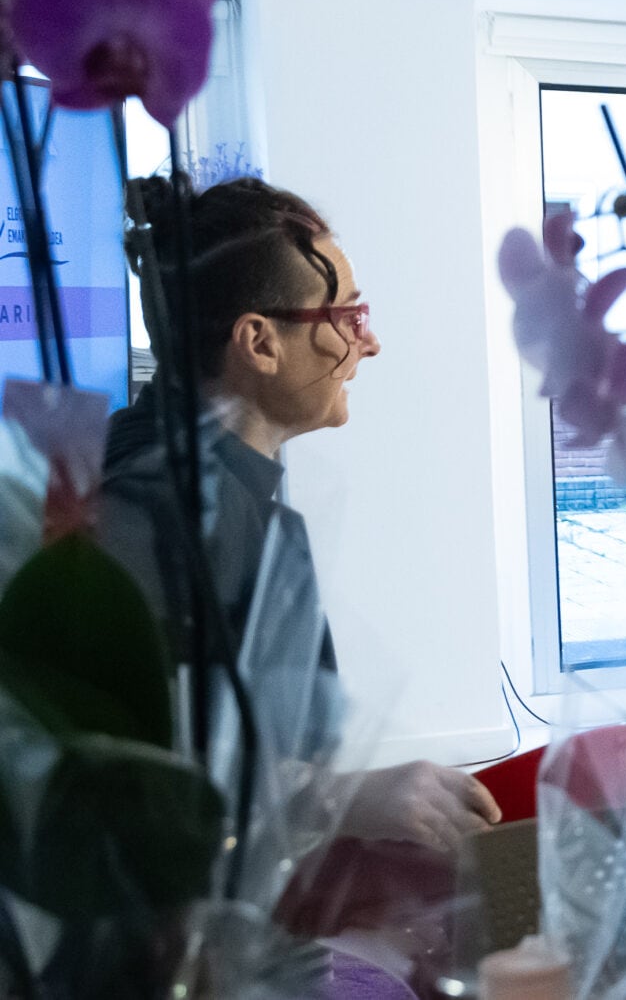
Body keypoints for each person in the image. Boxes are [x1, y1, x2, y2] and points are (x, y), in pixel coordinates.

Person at [96, 178, 502, 863]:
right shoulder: (162, 512)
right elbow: (128, 777)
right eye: (347, 315)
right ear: (259, 341)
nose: (368, 344)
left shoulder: (182, 470)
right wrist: (346, 796)